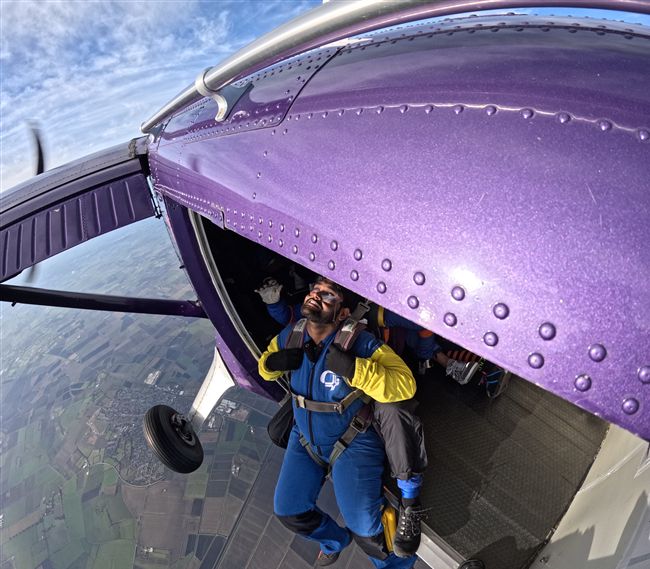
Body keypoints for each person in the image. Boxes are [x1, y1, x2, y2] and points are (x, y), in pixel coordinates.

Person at [258, 276, 421, 567]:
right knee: (288, 510)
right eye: (315, 290)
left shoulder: (358, 342)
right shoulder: (291, 336)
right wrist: (272, 364)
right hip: (304, 439)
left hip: (351, 441)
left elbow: (404, 384)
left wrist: (354, 369)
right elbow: (265, 365)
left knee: (368, 532)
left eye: (328, 295)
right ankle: (334, 541)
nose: (316, 295)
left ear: (342, 312)